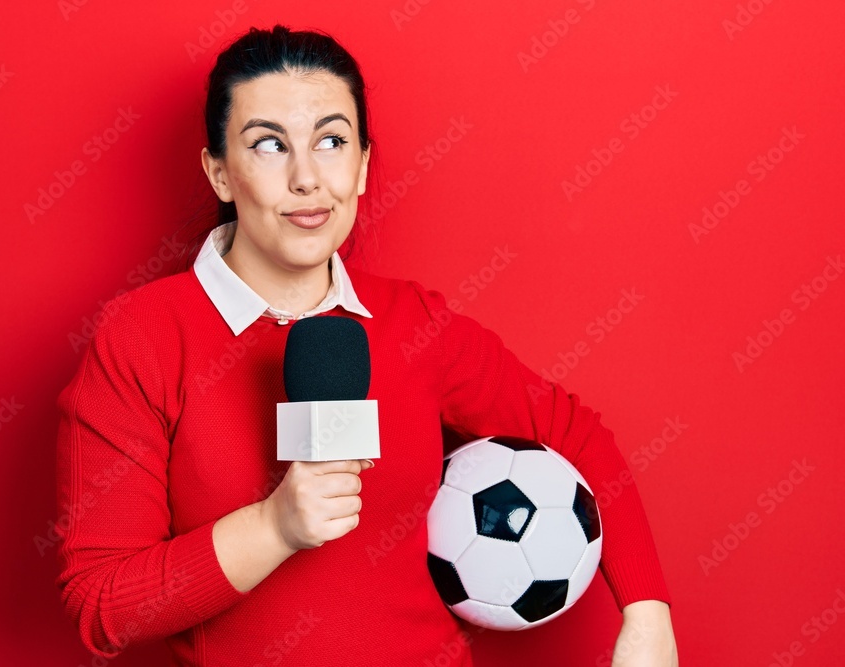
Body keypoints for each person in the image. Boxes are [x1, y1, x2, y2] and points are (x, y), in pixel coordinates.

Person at [54, 24, 679, 666]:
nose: (307, 179)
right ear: (219, 172)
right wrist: (274, 528)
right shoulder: (143, 336)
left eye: (331, 141)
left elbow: (576, 436)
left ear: (362, 168)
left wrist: (648, 618)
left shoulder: (414, 322)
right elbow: (105, 605)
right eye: (269, 145)